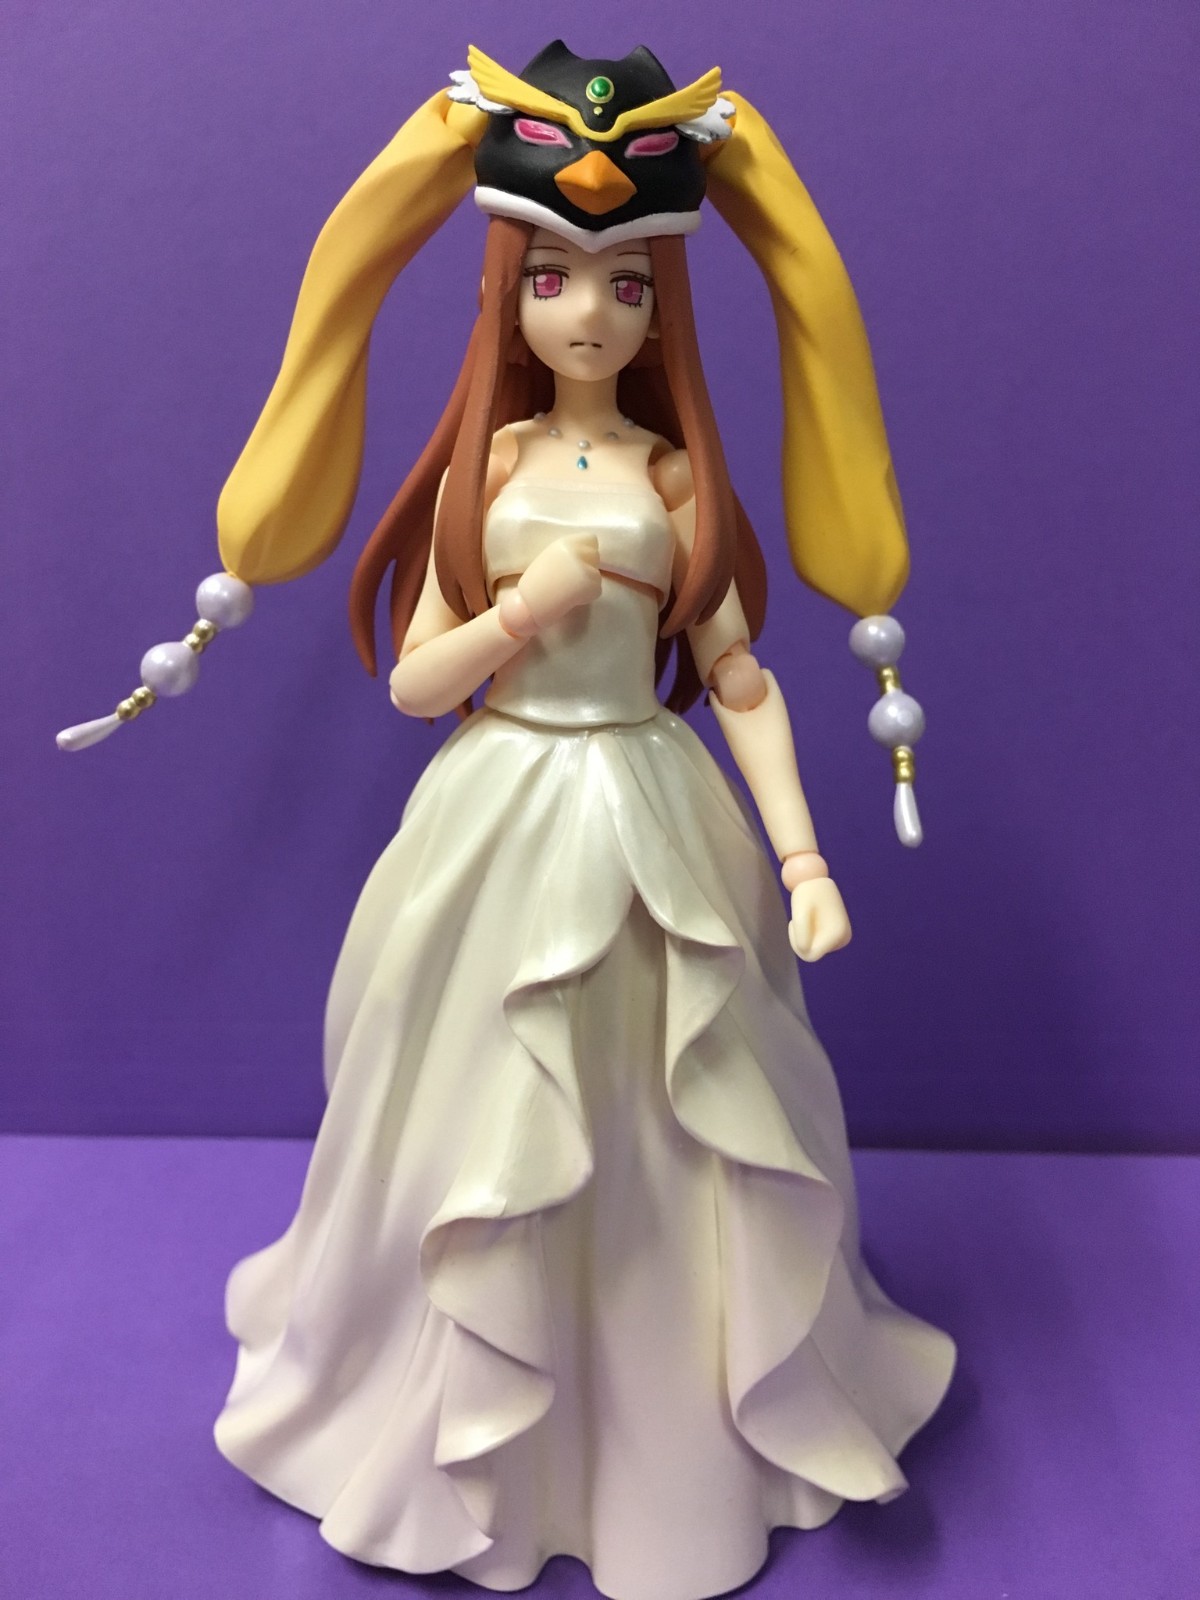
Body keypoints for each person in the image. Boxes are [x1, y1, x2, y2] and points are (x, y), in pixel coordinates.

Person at [112, 42, 959, 1600]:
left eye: (627, 285)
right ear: (507, 292)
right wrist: (522, 615)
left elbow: (741, 679)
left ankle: (664, 1419)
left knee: (673, 1109)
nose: (590, 315)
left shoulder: (676, 477)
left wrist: (802, 856)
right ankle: (457, 1397)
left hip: (650, 802)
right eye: (556, 280)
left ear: (660, 307)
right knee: (465, 1095)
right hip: (500, 804)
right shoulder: (488, 469)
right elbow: (415, 682)